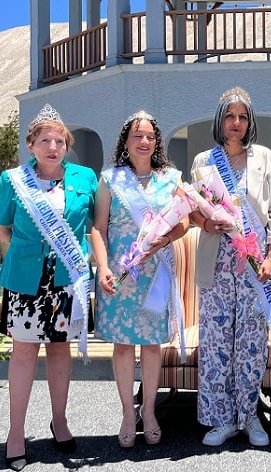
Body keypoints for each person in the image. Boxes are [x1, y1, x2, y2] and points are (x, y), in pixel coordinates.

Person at [0, 104, 97, 471]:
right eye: (45, 141)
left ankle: (60, 420)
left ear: (66, 145)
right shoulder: (13, 180)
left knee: (59, 350)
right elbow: (2, 228)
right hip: (25, 283)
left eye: (59, 141)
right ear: (31, 145)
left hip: (66, 281)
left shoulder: (85, 178)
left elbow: (93, 226)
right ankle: (16, 432)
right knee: (23, 353)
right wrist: (25, 258)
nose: (53, 147)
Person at [188, 87, 271, 447]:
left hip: (254, 265)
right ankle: (221, 419)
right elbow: (192, 210)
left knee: (251, 342)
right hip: (216, 262)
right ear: (220, 120)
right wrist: (205, 222)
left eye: (243, 117)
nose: (236, 122)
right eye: (230, 116)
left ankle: (249, 416)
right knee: (216, 341)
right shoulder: (204, 161)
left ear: (250, 122)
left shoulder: (264, 157)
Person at [90, 111, 189, 449]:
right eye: (137, 136)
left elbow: (183, 223)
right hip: (121, 274)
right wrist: (103, 267)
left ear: (157, 142)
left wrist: (165, 239)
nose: (144, 141)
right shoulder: (110, 179)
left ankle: (148, 411)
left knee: (151, 344)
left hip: (155, 272)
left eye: (149, 136)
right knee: (122, 346)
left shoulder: (171, 178)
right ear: (126, 141)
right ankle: (126, 414)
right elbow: (98, 228)